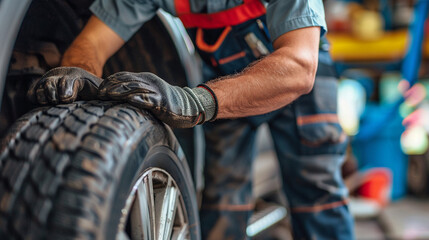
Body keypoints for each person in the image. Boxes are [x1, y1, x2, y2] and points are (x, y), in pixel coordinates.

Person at [28, 0, 355, 239]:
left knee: (317, 194)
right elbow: (93, 42)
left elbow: (299, 67)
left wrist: (193, 101)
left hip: (296, 76)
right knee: (221, 200)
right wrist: (78, 69)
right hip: (232, 82)